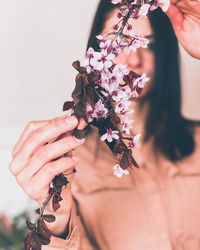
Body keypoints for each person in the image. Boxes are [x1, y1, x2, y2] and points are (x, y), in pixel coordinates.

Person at [9, 0, 200, 249]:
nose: (133, 60)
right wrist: (58, 222)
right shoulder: (70, 161)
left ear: (165, 52)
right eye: (119, 42)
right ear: (97, 50)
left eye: (149, 44)